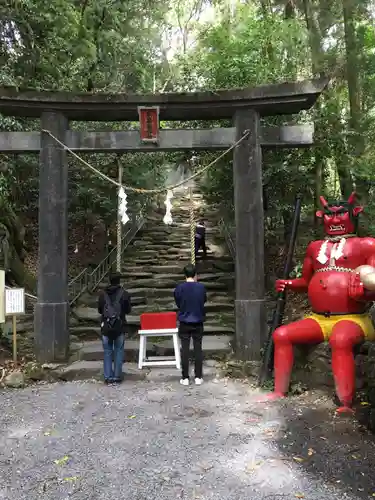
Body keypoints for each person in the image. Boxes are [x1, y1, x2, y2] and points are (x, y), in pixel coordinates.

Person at [174, 263, 207, 386]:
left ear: (185, 274)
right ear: (195, 274)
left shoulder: (179, 288)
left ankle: (185, 377)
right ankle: (198, 376)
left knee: (185, 350)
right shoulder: (201, 288)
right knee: (198, 349)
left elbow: (178, 302)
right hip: (198, 320)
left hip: (184, 321)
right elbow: (203, 301)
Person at [98, 272, 131, 384]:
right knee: (118, 350)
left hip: (106, 326)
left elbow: (99, 310)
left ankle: (108, 376)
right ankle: (117, 376)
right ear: (119, 280)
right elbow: (128, 310)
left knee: (107, 351)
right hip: (119, 326)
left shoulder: (102, 295)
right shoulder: (125, 294)